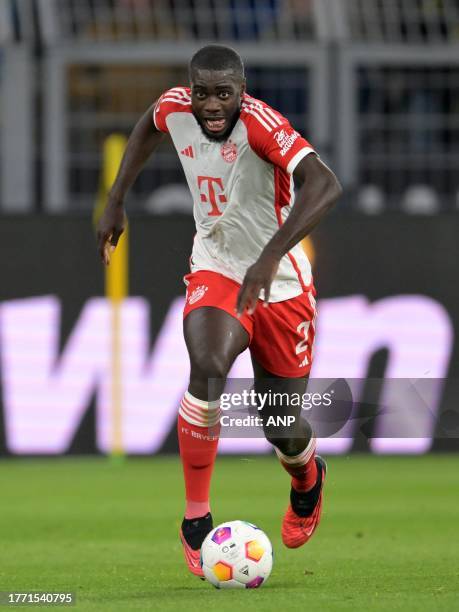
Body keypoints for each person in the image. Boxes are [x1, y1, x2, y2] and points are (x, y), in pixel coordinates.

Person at [97, 44, 342, 578]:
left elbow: (326, 183)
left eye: (223, 94)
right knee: (206, 367)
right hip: (216, 266)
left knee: (278, 424)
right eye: (202, 91)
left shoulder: (260, 125)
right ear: (191, 87)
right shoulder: (173, 107)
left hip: (280, 284)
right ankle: (195, 517)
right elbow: (147, 126)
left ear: (241, 91)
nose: (211, 105)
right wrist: (116, 199)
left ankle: (307, 477)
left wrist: (271, 254)